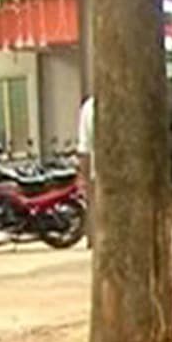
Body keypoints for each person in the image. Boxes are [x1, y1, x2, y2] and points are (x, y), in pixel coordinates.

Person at [76, 95, 94, 245]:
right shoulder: (89, 107)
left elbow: (84, 148)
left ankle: (94, 239)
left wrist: (84, 177)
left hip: (97, 173)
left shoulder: (89, 107)